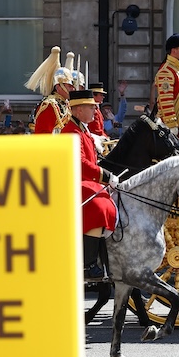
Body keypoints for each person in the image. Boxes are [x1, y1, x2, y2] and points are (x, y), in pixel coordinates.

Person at [61, 90, 119, 280]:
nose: (96, 109)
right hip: (72, 182)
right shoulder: (71, 131)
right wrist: (106, 176)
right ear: (78, 110)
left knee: (105, 197)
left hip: (85, 180)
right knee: (98, 205)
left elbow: (91, 161)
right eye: (90, 106)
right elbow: (80, 163)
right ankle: (88, 264)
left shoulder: (81, 129)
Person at [25, 46, 76, 134]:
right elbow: (43, 134)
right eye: (69, 86)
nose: (73, 89)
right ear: (59, 87)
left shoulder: (65, 104)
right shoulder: (50, 105)